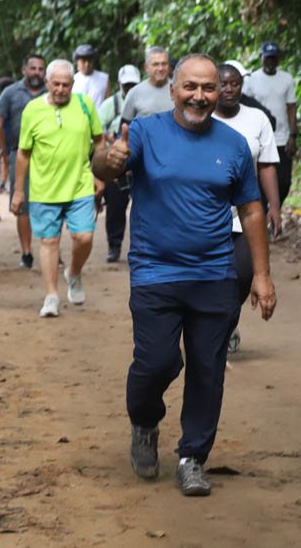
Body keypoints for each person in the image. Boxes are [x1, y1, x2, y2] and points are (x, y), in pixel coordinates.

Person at [92, 54, 277, 497]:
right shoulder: (145, 132)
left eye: (208, 88)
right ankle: (144, 421)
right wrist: (109, 158)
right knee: (157, 362)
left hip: (214, 273)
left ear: (220, 92)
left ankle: (193, 457)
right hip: (155, 271)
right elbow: (103, 169)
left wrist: (262, 275)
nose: (200, 96)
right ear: (173, 89)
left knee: (208, 369)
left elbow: (251, 210)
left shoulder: (234, 144)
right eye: (190, 87)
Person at [10, 59, 103, 317]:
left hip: (80, 184)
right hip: (44, 189)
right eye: (57, 84)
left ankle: (73, 272)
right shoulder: (32, 110)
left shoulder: (85, 105)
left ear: (73, 84)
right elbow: (23, 153)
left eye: (66, 84)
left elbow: (100, 141)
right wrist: (19, 191)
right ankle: (51, 295)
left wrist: (100, 175)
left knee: (84, 237)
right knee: (49, 242)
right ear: (47, 83)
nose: (61, 89)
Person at [212, 63, 281, 352]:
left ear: (242, 86)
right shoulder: (202, 118)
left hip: (245, 213)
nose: (229, 89)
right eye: (223, 84)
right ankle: (215, 329)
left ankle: (227, 323)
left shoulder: (257, 119)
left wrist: (274, 206)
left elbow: (266, 165)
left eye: (235, 84)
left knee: (242, 274)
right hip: (208, 215)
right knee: (212, 276)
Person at [0, 55, 46, 269]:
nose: (36, 72)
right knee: (22, 204)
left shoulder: (53, 93)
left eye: (41, 69)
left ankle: (51, 247)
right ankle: (27, 252)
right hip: (19, 153)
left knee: (51, 202)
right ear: (24, 70)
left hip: (50, 156)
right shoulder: (10, 93)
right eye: (33, 68)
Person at [243, 42, 297, 210]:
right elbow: (244, 106)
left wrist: (293, 135)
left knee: (284, 181)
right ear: (261, 58)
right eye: (267, 58)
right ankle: (264, 216)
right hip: (259, 139)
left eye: (274, 58)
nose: (271, 61)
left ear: (278, 59)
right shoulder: (251, 80)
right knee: (260, 179)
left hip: (282, 138)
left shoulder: (286, 79)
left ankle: (274, 209)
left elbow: (291, 107)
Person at [97, 64, 141, 262]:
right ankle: (114, 246)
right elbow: (98, 132)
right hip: (118, 160)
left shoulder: (145, 99)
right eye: (127, 85)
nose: (130, 88)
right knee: (115, 204)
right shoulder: (110, 104)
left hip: (141, 160)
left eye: (133, 84)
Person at [120, 46, 173, 125]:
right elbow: (124, 128)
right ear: (146, 67)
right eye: (155, 64)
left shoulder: (178, 89)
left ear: (169, 67)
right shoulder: (134, 93)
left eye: (164, 64)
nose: (160, 68)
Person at [71, 44, 111, 108]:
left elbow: (109, 104)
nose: (87, 64)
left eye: (89, 61)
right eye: (83, 61)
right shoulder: (72, 80)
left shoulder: (104, 78)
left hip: (99, 117)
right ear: (77, 62)